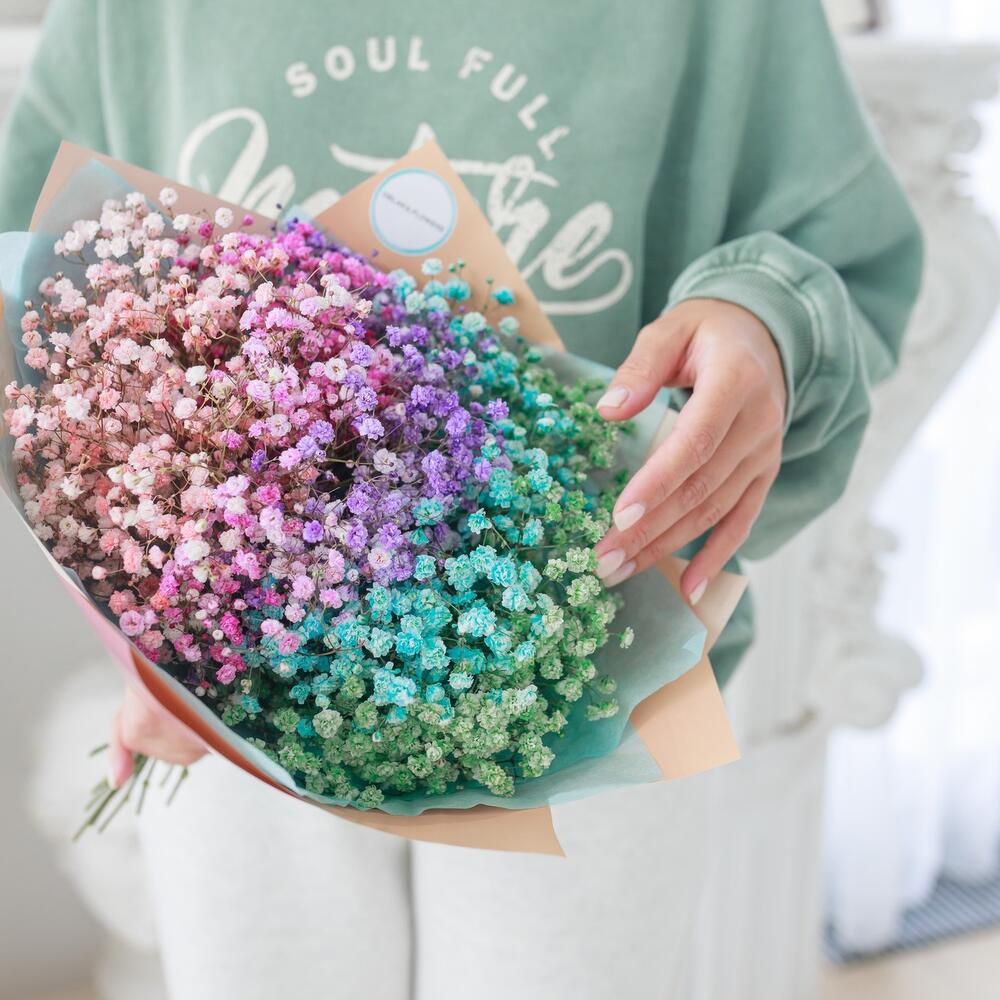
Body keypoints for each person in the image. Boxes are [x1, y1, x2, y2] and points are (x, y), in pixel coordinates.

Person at [0, 1, 923, 997]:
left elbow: (842, 249)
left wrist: (763, 319)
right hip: (227, 696)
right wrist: (140, 630)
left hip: (595, 683)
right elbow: (39, 289)